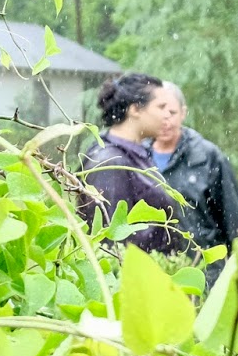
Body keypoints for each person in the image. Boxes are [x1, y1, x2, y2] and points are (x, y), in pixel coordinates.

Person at [151, 82, 238, 288]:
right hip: (155, 271)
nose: (165, 119)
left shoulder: (207, 157)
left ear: (183, 113)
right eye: (159, 111)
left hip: (205, 271)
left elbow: (232, 217)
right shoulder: (137, 158)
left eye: (172, 112)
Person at [79, 72, 186, 256]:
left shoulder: (135, 154)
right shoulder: (109, 163)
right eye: (161, 107)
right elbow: (109, 243)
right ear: (135, 109)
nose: (167, 115)